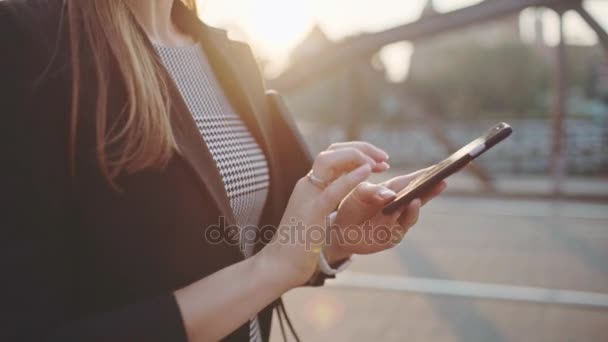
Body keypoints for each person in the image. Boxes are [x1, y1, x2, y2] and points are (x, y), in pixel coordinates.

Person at [0, 0, 445, 341]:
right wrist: (272, 269)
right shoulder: (27, 40)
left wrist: (334, 237)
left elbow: (246, 247)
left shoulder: (231, 57)